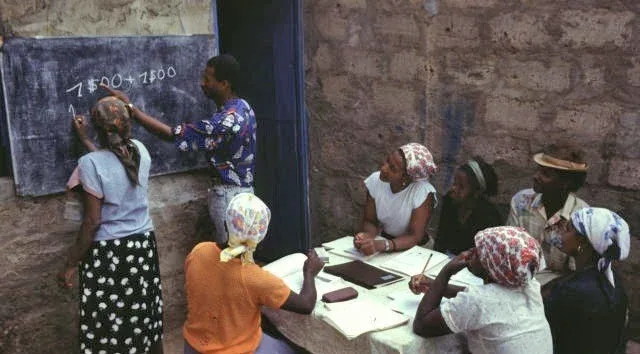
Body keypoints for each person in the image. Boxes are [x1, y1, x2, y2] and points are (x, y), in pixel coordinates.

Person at [100, 54, 256, 245]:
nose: (201, 83)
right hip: (245, 194)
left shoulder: (227, 121)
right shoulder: (244, 107)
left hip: (229, 197)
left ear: (224, 84)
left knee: (230, 256)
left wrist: (132, 109)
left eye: (207, 79)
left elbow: (173, 134)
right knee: (241, 254)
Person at [57, 97, 163, 353]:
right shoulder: (141, 150)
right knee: (141, 316)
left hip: (110, 254)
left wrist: (71, 262)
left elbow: (92, 222)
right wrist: (86, 142)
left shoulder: (89, 164)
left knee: (109, 323)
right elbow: (117, 165)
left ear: (98, 128)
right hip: (143, 248)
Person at [183, 193, 324, 354]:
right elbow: (306, 304)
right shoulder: (256, 279)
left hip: (193, 346)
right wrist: (309, 272)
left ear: (225, 224)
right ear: (260, 238)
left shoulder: (199, 251)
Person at [411, 226, 552, 354]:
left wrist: (446, 272)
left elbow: (422, 326)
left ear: (492, 265)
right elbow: (488, 300)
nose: (471, 251)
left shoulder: (480, 300)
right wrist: (435, 285)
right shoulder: (529, 285)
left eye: (479, 251)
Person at [543, 207, 629, 354]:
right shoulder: (612, 282)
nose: (561, 233)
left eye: (568, 229)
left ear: (582, 242)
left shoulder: (570, 291)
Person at [506, 143, 589, 283]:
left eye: (546, 174)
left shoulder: (581, 217)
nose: (535, 176)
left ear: (565, 183)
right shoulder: (521, 201)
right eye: (538, 170)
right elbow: (508, 248)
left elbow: (575, 273)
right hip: (516, 279)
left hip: (556, 291)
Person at [354, 143, 438, 255]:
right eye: (387, 160)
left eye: (392, 168)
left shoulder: (423, 192)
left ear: (406, 177)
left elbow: (414, 236)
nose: (384, 168)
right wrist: (367, 237)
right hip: (386, 244)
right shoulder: (375, 181)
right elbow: (370, 220)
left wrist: (382, 245)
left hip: (416, 250)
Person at [433, 157, 502, 255]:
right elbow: (441, 239)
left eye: (461, 186)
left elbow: (484, 255)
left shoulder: (489, 216)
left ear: (476, 192)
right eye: (454, 183)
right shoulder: (449, 201)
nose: (453, 188)